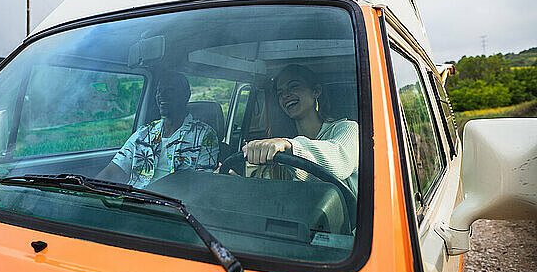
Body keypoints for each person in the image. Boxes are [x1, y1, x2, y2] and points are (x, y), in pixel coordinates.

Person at [242, 64, 359, 193]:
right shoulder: (283, 144)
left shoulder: (347, 129)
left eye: (293, 87)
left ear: (316, 91)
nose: (285, 95)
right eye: (280, 93)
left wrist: (289, 146)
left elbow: (340, 161)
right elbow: (268, 194)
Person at [98, 71, 219, 188]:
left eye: (169, 90)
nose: (161, 95)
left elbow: (203, 186)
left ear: (186, 95)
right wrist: (85, 192)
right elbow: (112, 171)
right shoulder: (144, 132)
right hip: (133, 203)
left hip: (173, 206)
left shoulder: (204, 135)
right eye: (159, 91)